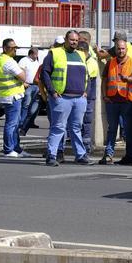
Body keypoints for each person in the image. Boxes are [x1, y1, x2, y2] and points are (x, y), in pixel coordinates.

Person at [41, 30, 91, 166]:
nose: (74, 42)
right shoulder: (55, 53)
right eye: (72, 40)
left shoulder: (81, 55)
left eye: (76, 40)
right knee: (58, 127)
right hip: (62, 98)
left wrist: (86, 91)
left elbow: (87, 75)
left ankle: (80, 155)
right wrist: (52, 92)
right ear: (66, 39)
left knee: (76, 128)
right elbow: (44, 73)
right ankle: (52, 155)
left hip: (79, 98)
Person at [99, 38, 132, 165]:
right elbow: (104, 80)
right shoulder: (110, 62)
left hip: (127, 101)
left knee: (129, 129)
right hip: (112, 101)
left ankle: (130, 155)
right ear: (115, 49)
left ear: (126, 49)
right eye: (118, 48)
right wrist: (104, 96)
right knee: (112, 129)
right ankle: (108, 154)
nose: (120, 51)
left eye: (123, 48)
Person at [0, 38, 32, 158]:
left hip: (9, 95)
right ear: (5, 48)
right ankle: (9, 149)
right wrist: (23, 72)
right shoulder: (8, 61)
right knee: (12, 124)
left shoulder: (2, 59)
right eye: (12, 48)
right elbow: (23, 76)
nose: (15, 50)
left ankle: (16, 149)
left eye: (16, 48)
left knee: (15, 124)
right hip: (12, 96)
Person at [79, 41, 100, 153]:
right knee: (77, 122)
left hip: (88, 96)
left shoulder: (92, 62)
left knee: (86, 121)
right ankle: (80, 144)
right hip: (78, 96)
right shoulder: (79, 60)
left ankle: (86, 145)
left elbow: (88, 79)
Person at [17, 48, 42, 136]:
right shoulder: (24, 60)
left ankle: (30, 122)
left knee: (34, 107)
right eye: (36, 54)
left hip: (36, 86)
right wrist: (23, 82)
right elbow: (19, 72)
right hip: (28, 86)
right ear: (31, 54)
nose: (37, 55)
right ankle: (21, 123)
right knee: (26, 105)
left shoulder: (36, 61)